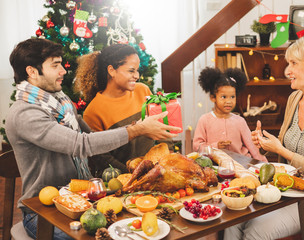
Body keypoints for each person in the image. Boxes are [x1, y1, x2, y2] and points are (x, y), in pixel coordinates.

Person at [5, 38, 180, 240]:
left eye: (61, 64)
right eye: (55, 65)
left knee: (138, 227)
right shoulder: (25, 114)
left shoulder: (61, 104)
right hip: (45, 211)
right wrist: (137, 130)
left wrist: (138, 128)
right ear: (32, 72)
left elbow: (92, 138)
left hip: (82, 199)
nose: (63, 71)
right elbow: (81, 145)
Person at [225, 35, 304, 239]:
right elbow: (286, 142)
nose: (287, 71)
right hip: (286, 188)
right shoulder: (295, 98)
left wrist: (280, 150)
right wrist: (266, 143)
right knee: (232, 214)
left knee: (254, 231)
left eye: (294, 63)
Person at [74, 44, 157, 175]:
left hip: (154, 173)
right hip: (122, 181)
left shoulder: (143, 90)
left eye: (137, 70)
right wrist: (135, 175)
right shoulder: (93, 111)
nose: (137, 75)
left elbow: (162, 125)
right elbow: (101, 158)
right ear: (112, 70)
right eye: (131, 71)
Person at [193, 67, 267, 162]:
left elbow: (252, 146)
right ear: (213, 98)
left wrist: (263, 164)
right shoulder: (204, 120)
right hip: (214, 164)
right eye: (223, 97)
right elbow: (197, 146)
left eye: (232, 97)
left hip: (241, 163)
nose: (229, 101)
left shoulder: (240, 121)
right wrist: (215, 146)